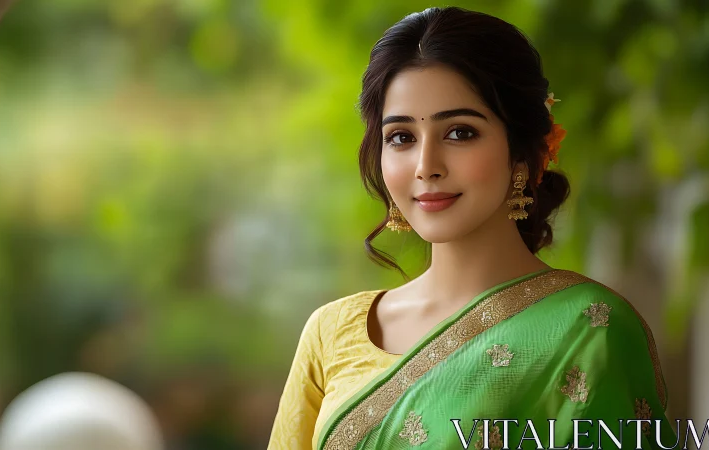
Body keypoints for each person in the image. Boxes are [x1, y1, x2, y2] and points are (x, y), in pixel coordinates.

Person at [267, 6, 677, 450]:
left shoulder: (589, 330)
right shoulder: (332, 333)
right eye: (401, 137)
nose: (426, 166)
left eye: (460, 132)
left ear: (522, 154)